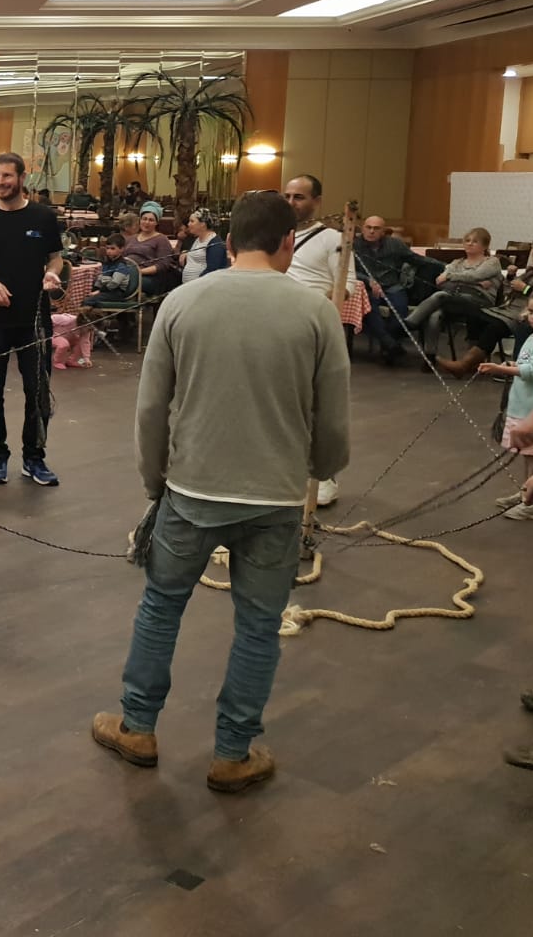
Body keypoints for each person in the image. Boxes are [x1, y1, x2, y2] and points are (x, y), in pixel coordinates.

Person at [91, 190, 351, 794]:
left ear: (228, 243)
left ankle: (137, 728)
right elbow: (334, 419)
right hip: (277, 498)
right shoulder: (316, 313)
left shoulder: (182, 302)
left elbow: (151, 410)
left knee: (161, 608)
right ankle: (233, 753)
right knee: (259, 626)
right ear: (289, 243)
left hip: (191, 491)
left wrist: (155, 481)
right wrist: (316, 471)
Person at [0, 152, 63, 487]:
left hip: (34, 320)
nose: (0, 182)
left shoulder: (43, 217)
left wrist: (51, 274)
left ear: (21, 178)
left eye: (6, 176)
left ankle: (34, 457)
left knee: (38, 392)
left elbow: (56, 258)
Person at [281, 175, 358, 506]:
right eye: (287, 196)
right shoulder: (275, 235)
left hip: (312, 328)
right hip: (275, 327)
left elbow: (347, 284)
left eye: (299, 197)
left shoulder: (333, 239)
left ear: (316, 202)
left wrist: (313, 308)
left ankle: (324, 477)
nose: (291, 202)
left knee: (315, 404)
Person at [484, 289, 533, 521]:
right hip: (522, 407)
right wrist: (513, 364)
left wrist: (501, 369)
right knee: (527, 455)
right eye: (531, 311)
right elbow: (526, 363)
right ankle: (526, 490)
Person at [404, 228, 504, 360]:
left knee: (440, 296)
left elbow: (476, 275)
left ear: (484, 246)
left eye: (475, 241)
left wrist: (451, 277)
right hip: (454, 299)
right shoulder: (457, 263)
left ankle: (409, 324)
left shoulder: (492, 262)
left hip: (480, 302)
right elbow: (440, 283)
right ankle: (430, 357)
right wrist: (476, 282)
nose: (470, 243)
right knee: (435, 315)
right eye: (467, 240)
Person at [353, 215, 424, 364]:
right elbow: (349, 270)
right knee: (369, 310)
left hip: (392, 286)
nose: (371, 231)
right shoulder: (354, 245)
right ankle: (390, 345)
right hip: (366, 288)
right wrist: (368, 280)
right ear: (363, 229)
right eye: (368, 227)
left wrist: (445, 267)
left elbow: (417, 259)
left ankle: (388, 344)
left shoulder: (395, 244)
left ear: (383, 231)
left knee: (401, 311)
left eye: (376, 228)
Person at [123, 202, 178, 296]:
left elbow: (163, 265)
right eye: (144, 219)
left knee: (123, 283)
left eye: (151, 220)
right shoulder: (130, 238)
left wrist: (138, 272)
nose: (147, 222)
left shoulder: (161, 239)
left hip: (148, 278)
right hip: (126, 274)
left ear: (157, 223)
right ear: (140, 220)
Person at [179, 209, 229, 284]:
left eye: (192, 221)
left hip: (202, 286)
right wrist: (187, 254)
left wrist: (197, 284)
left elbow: (212, 269)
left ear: (203, 224)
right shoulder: (196, 239)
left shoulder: (215, 243)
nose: (188, 224)